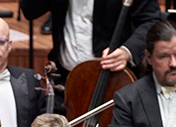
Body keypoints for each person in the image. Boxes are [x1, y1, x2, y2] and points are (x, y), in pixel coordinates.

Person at [20, 0, 161, 76]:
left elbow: (151, 21)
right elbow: (30, 10)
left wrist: (126, 51)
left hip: (112, 79)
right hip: (64, 79)